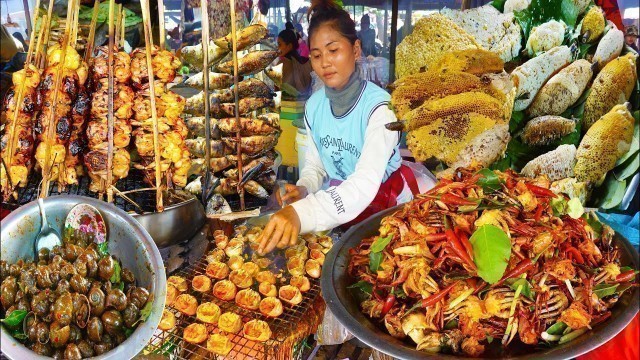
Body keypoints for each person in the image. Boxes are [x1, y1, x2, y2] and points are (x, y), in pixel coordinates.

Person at [257, 0, 417, 254]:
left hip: (387, 212)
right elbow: (316, 164)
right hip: (340, 209)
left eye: (334, 50)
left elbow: (364, 183)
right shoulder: (314, 106)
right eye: (317, 55)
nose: (325, 63)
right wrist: (305, 187)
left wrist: (302, 213)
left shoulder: (381, 109)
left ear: (355, 50)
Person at [277, 29, 313, 96]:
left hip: (287, 104)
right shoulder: (301, 60)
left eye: (279, 44)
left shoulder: (282, 63)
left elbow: (276, 89)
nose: (277, 47)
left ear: (289, 46)